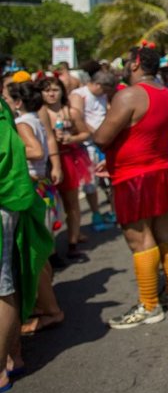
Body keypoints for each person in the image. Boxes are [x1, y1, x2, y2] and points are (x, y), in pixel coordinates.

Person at [93, 44, 168, 328]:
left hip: (134, 177)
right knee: (162, 229)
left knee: (139, 237)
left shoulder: (130, 95)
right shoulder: (167, 95)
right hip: (159, 170)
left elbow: (102, 137)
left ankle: (149, 305)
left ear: (135, 63)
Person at [0, 96, 55, 393]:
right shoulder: (9, 112)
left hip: (8, 200)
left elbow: (23, 152)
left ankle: (3, 366)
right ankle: (13, 354)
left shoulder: (9, 117)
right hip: (14, 199)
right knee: (10, 275)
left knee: (4, 283)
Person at [4, 81, 64, 337]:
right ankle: (44, 304)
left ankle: (51, 309)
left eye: (7, 98)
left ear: (18, 102)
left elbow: (36, 151)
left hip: (32, 190)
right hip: (41, 188)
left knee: (35, 257)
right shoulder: (35, 119)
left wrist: (13, 151)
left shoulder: (21, 124)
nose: (4, 102)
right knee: (41, 252)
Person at [39, 76, 92, 261]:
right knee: (50, 207)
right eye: (47, 90)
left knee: (72, 204)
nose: (51, 94)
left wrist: (72, 139)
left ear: (62, 91)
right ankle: (51, 250)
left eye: (55, 89)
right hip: (46, 164)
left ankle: (73, 243)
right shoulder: (39, 113)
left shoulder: (71, 112)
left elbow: (85, 132)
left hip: (69, 160)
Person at [70, 70, 119, 225]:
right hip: (89, 146)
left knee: (112, 180)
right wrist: (97, 133)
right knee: (90, 182)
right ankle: (96, 214)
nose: (105, 93)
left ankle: (115, 211)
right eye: (104, 89)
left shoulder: (104, 95)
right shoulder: (79, 95)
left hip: (106, 143)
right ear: (97, 84)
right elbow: (78, 119)